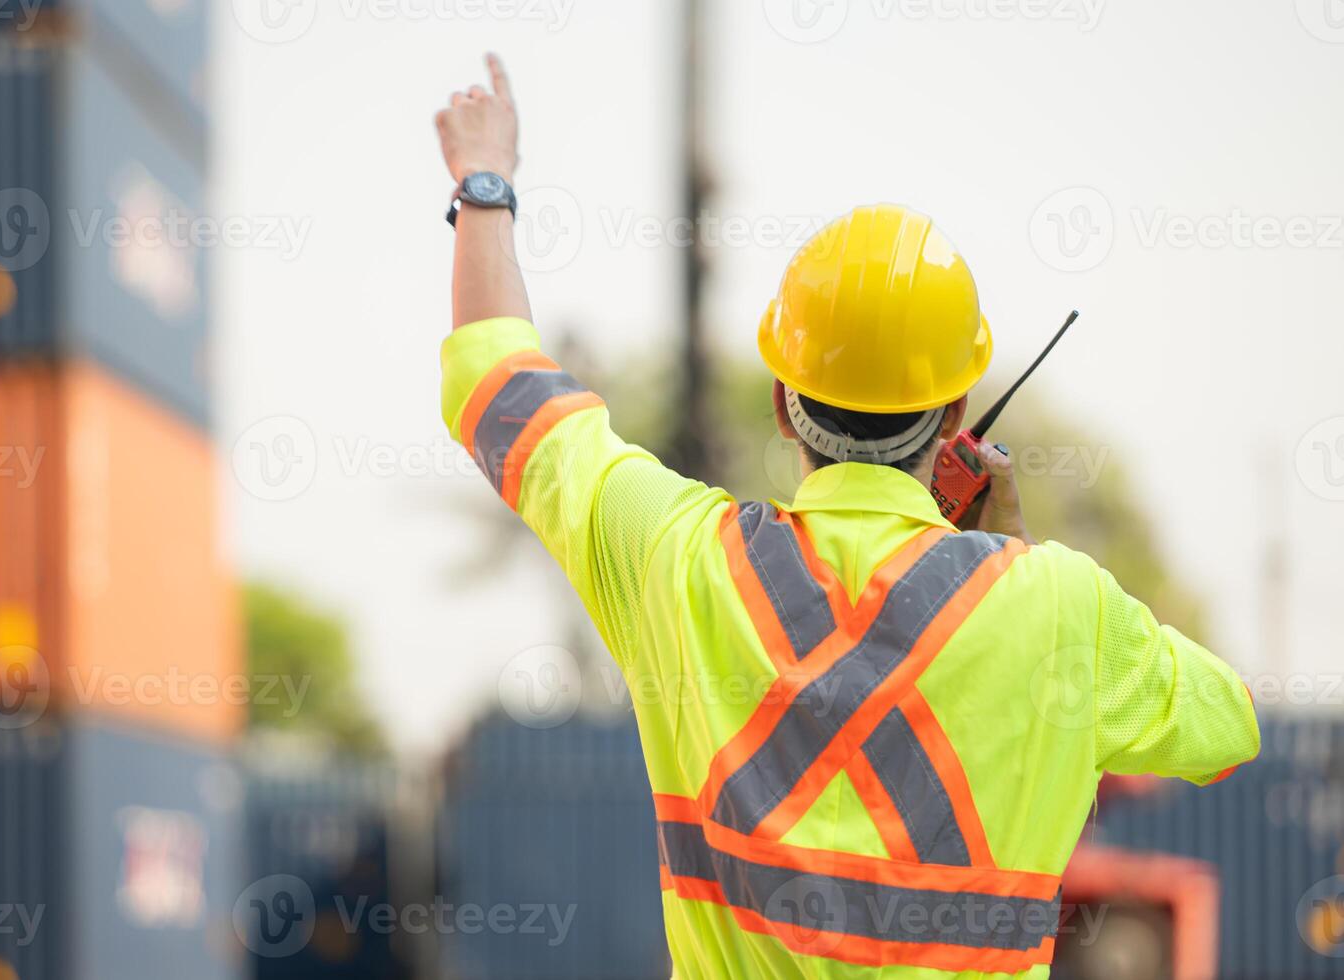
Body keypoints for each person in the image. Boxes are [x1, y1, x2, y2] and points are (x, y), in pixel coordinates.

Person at [433, 54, 1259, 979]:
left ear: (785, 403)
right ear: (954, 417)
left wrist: (485, 184)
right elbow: (1229, 728)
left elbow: (499, 394)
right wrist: (1015, 561)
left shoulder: (674, 558)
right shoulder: (1061, 607)